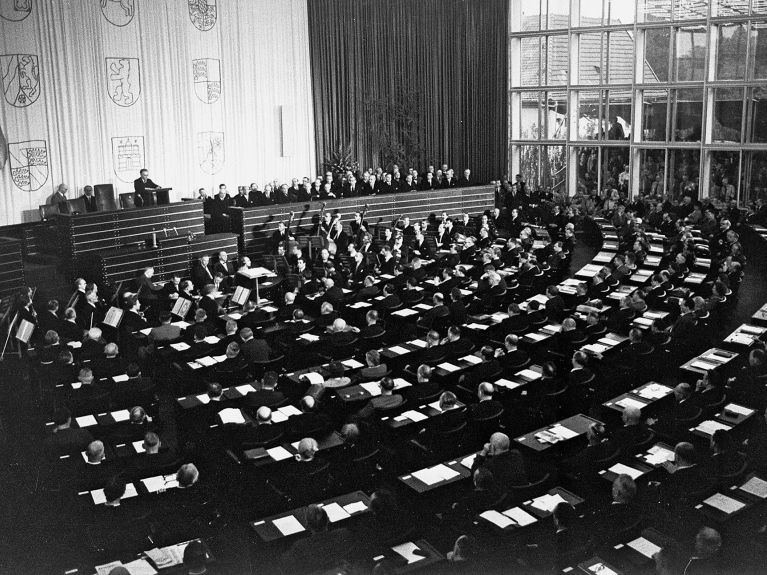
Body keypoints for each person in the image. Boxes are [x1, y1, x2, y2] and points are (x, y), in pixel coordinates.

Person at [282, 504, 353, 574]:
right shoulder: (343, 534)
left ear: (307, 525)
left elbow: (285, 562)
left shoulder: (300, 546)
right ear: (328, 520)